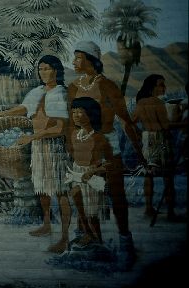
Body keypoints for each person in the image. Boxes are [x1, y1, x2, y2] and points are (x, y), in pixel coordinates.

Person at [67, 41, 146, 270]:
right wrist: (73, 148)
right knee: (83, 192)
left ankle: (125, 242)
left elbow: (126, 120)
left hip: (107, 144)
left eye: (79, 57)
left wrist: (140, 153)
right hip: (83, 143)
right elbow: (71, 123)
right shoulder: (73, 88)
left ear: (92, 59)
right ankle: (95, 241)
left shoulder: (108, 86)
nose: (74, 62)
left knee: (116, 193)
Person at [0, 55, 71, 253]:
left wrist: (33, 137)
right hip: (37, 145)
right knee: (42, 187)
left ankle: (65, 237)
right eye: (41, 69)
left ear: (56, 70)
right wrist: (4, 114)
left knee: (60, 190)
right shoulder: (37, 91)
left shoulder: (61, 93)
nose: (43, 72)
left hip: (54, 146)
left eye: (47, 68)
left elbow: (60, 127)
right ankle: (46, 224)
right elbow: (25, 108)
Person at [132, 74, 179, 220]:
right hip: (161, 139)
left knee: (148, 174)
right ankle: (170, 212)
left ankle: (148, 209)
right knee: (168, 176)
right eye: (161, 84)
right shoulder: (158, 103)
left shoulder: (140, 103)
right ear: (153, 86)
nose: (164, 87)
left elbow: (131, 122)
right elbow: (165, 126)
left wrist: (140, 134)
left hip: (147, 138)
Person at [67, 97, 112, 246]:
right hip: (77, 173)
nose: (76, 115)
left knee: (91, 212)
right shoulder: (74, 134)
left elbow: (108, 163)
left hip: (92, 177)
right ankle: (86, 235)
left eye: (80, 112)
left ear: (91, 114)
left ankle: (98, 241)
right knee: (78, 202)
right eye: (74, 112)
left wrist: (93, 171)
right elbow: (74, 155)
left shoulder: (98, 138)